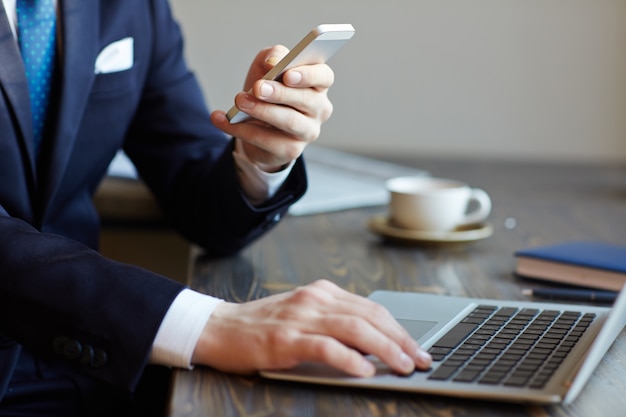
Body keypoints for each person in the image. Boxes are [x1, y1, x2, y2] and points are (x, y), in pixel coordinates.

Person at [0, 0, 432, 415]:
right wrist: (210, 324)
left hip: (91, 357)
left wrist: (259, 159)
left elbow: (197, 194)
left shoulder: (134, 6)